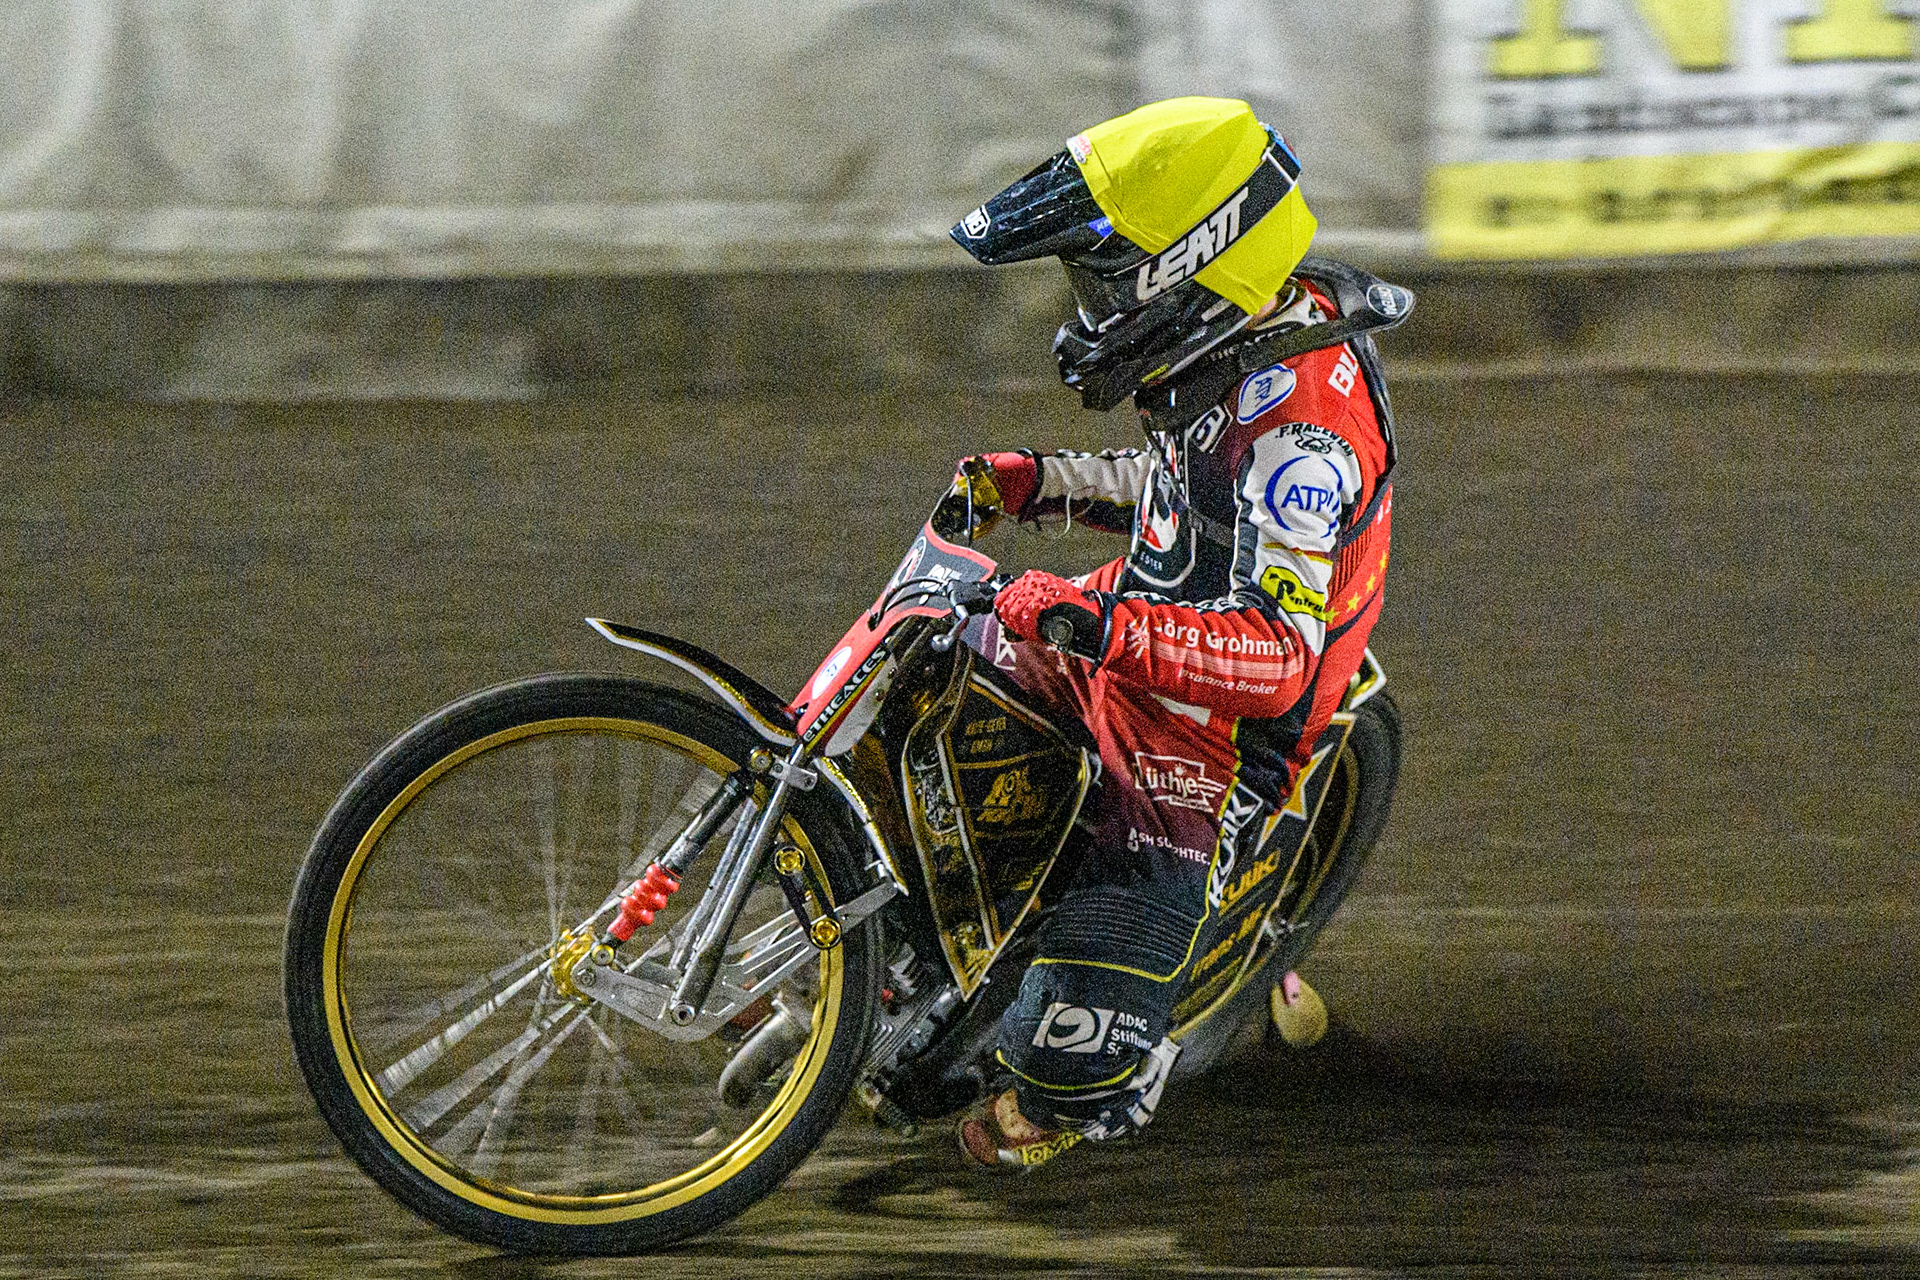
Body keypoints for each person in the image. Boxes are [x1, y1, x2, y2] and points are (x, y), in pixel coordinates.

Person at [941, 96, 1411, 1169]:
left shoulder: (1301, 438)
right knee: (934, 677)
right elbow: (1186, 496)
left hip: (1218, 723)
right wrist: (1044, 482)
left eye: (1107, 283)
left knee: (1046, 1076)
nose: (1091, 310)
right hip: (1150, 615)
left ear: (1193, 271)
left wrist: (1092, 620)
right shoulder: (1250, 333)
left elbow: (1274, 656)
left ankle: (1105, 1078)